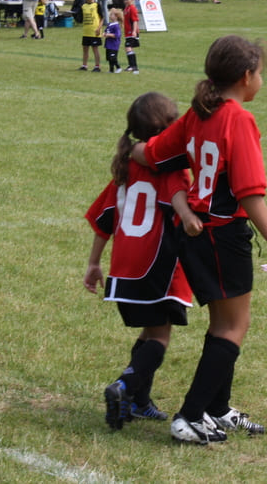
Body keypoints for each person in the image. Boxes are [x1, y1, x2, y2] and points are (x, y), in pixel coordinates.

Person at [132, 34, 267, 445]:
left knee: (223, 324)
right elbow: (249, 192)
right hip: (223, 236)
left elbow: (153, 154)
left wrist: (128, 149)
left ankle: (215, 408)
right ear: (245, 76)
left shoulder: (197, 113)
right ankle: (189, 415)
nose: (261, 81)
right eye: (260, 74)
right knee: (234, 326)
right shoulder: (237, 118)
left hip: (196, 236)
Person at [84, 91, 203, 430]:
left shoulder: (125, 168)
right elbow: (183, 213)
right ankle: (124, 385)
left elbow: (103, 219)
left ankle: (139, 401)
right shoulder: (171, 172)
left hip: (124, 269)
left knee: (151, 331)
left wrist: (94, 264)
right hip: (158, 267)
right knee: (160, 338)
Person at [77, 0, 103, 72]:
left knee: (95, 49)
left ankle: (97, 66)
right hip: (86, 31)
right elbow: (80, 18)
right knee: (85, 48)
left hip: (94, 31)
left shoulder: (96, 5)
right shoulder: (83, 6)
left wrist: (99, 28)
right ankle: (84, 65)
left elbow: (102, 18)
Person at [122, 0, 140, 74]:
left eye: (127, 0)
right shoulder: (126, 8)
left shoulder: (132, 8)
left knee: (128, 47)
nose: (126, 1)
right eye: (125, 0)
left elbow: (135, 20)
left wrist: (134, 31)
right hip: (127, 32)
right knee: (129, 48)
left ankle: (134, 67)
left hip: (132, 31)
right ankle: (130, 65)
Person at [104, 8, 123, 73]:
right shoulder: (109, 24)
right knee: (109, 58)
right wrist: (104, 34)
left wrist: (108, 35)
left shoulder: (116, 26)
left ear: (116, 16)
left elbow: (117, 35)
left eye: (112, 15)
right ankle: (111, 70)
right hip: (108, 44)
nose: (110, 16)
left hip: (114, 45)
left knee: (113, 57)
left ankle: (118, 67)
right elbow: (106, 31)